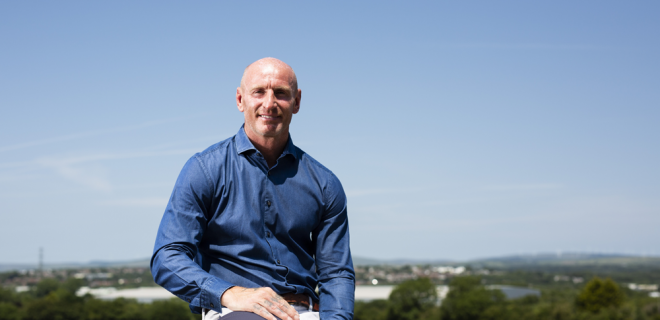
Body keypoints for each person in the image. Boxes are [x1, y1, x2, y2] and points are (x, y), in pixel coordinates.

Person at [151, 58, 355, 320]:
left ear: (297, 102)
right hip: (232, 310)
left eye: (280, 93)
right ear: (240, 100)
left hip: (304, 312)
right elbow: (168, 257)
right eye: (258, 92)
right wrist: (230, 293)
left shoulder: (325, 184)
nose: (269, 103)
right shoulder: (204, 169)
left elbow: (336, 273)